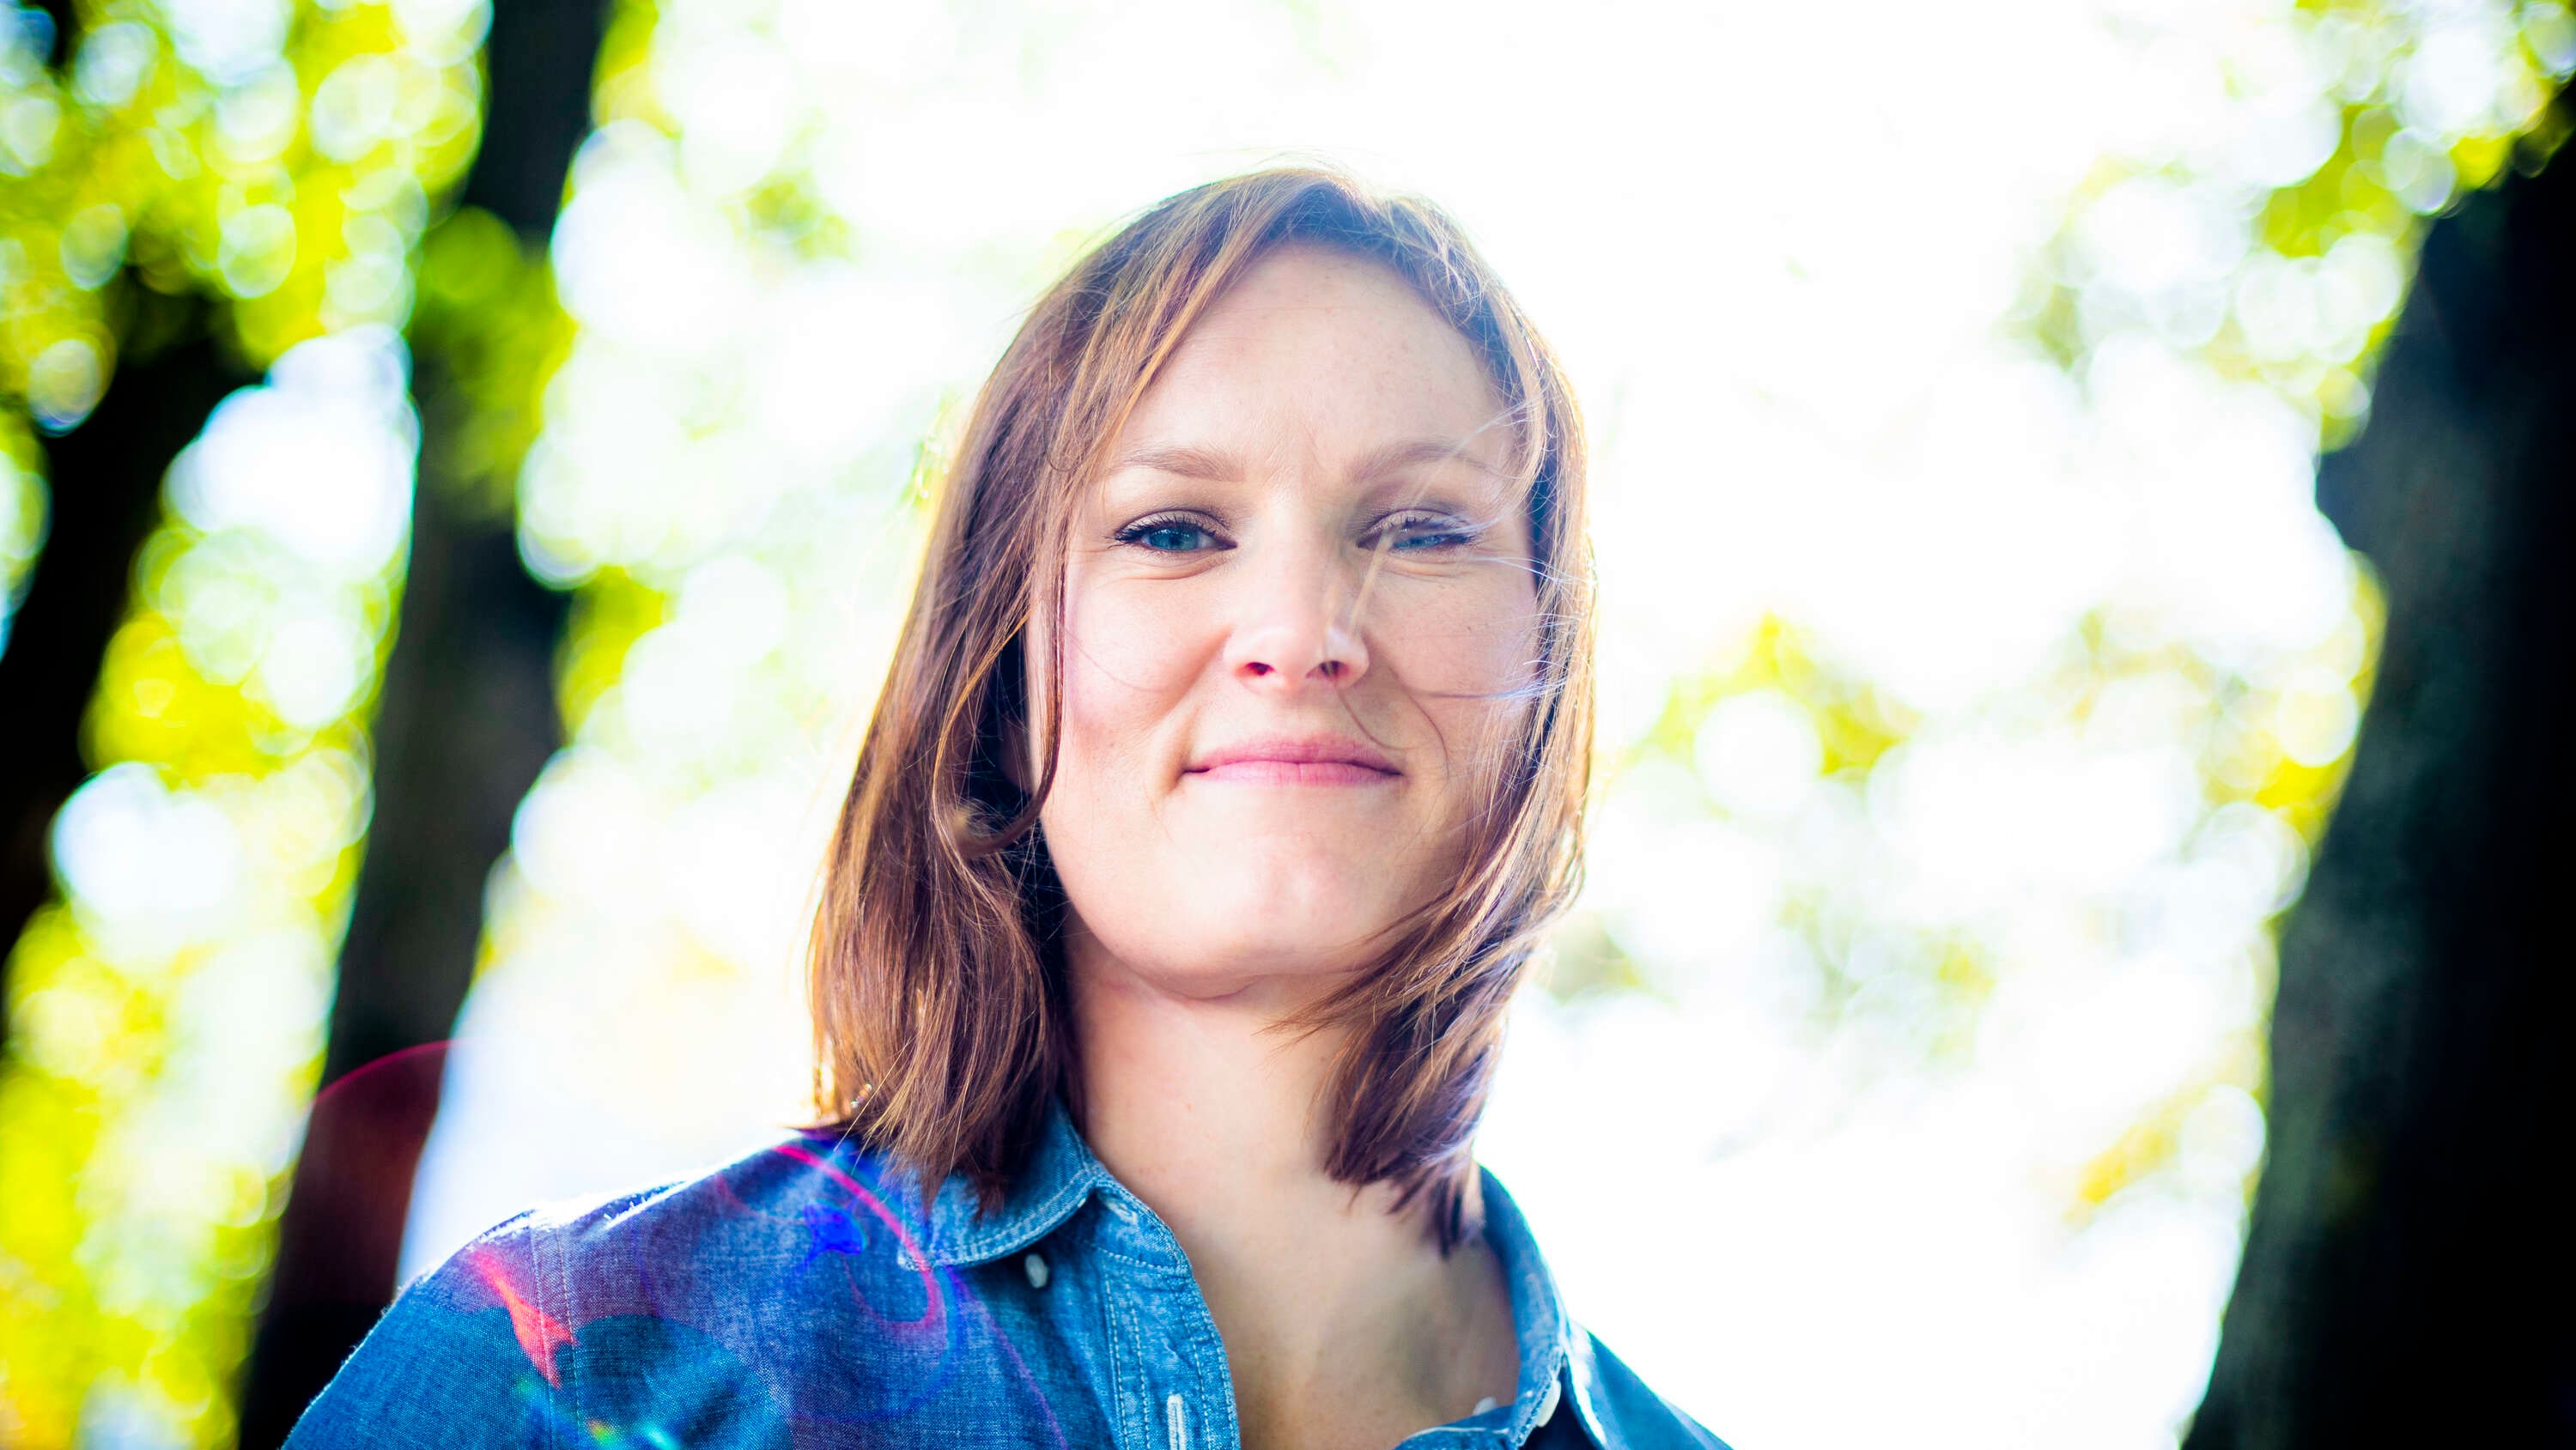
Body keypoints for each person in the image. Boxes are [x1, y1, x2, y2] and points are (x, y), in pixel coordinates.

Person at [284, 167, 1726, 1450]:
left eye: (1421, 530)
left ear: (1550, 663)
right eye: (1172, 529)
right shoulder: (551, 1372)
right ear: (1001, 671)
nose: (1300, 630)